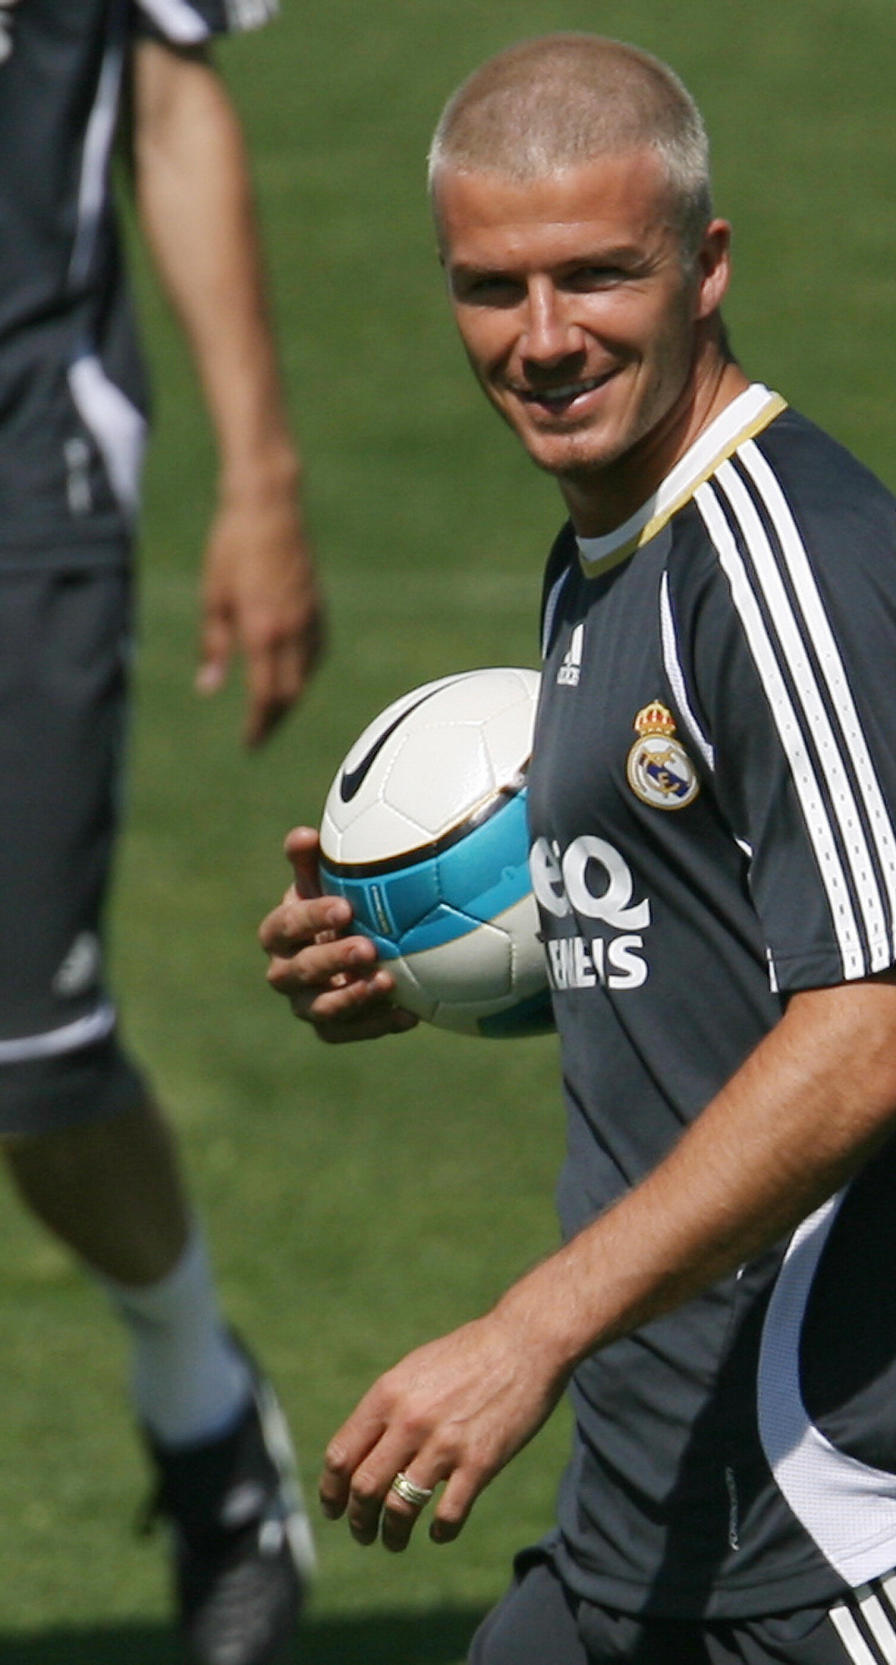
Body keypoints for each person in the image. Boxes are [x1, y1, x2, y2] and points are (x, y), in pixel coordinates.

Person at [260, 33, 896, 1665]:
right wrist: (411, 959)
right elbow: (703, 926)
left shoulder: (790, 574)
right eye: (492, 288)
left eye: (597, 276)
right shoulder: (599, 563)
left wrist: (526, 1330)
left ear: (705, 267)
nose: (545, 340)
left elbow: (864, 1036)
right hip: (646, 1524)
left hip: (848, 1535)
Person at [0, 5, 321, 1664]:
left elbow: (172, 100)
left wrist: (257, 471)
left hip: (22, 474)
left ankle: (206, 1425)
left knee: (29, 1058)